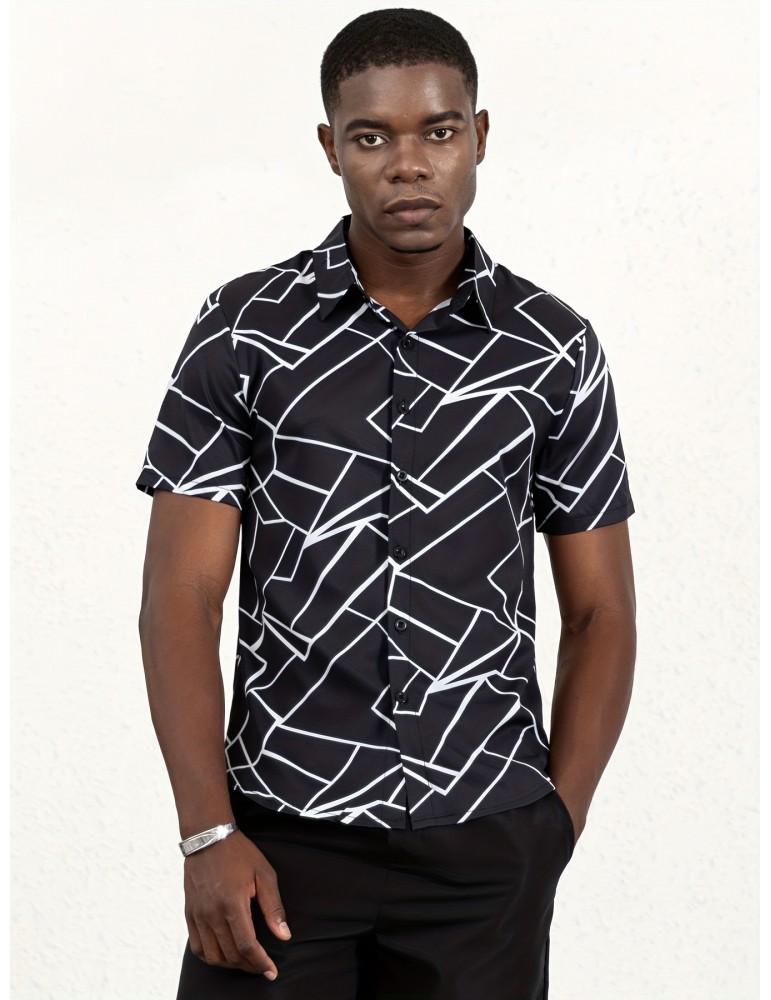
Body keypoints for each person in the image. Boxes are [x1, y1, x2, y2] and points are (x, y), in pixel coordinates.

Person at [137, 9, 636, 999]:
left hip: (484, 847)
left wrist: (554, 826)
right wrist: (206, 832)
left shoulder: (552, 348)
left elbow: (601, 612)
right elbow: (180, 598)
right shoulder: (244, 331)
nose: (408, 165)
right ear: (331, 148)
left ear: (478, 135)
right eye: (372, 137)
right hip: (279, 843)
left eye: (438, 131)